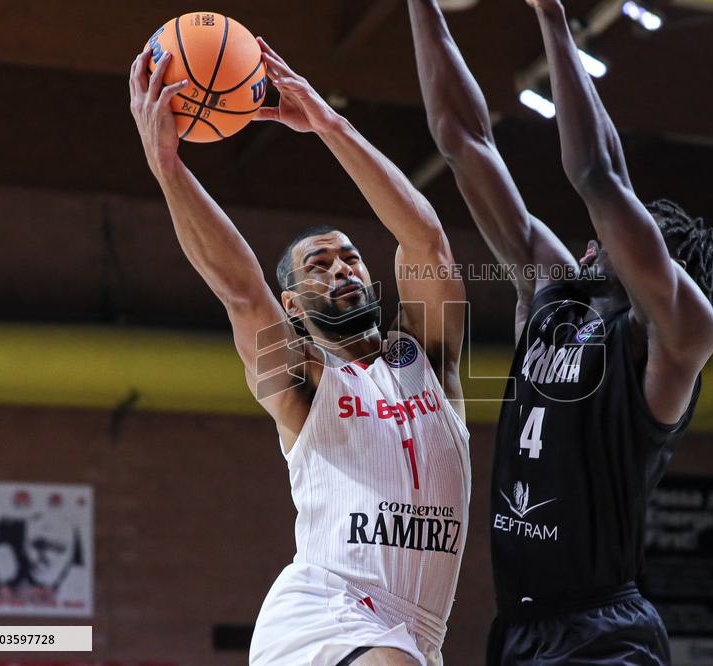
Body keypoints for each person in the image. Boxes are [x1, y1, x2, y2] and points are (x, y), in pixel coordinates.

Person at [129, 37, 470, 666]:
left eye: (351, 258)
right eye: (318, 264)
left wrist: (328, 124)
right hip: (326, 612)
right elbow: (240, 291)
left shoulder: (429, 359)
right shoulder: (305, 380)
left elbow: (426, 241)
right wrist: (168, 166)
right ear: (291, 305)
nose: (341, 268)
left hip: (416, 633)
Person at [407, 0, 713, 663]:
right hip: (520, 629)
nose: (595, 238)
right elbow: (461, 141)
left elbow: (598, 177)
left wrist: (551, 16)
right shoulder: (553, 293)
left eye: (621, 238)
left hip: (604, 634)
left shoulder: (673, 345)